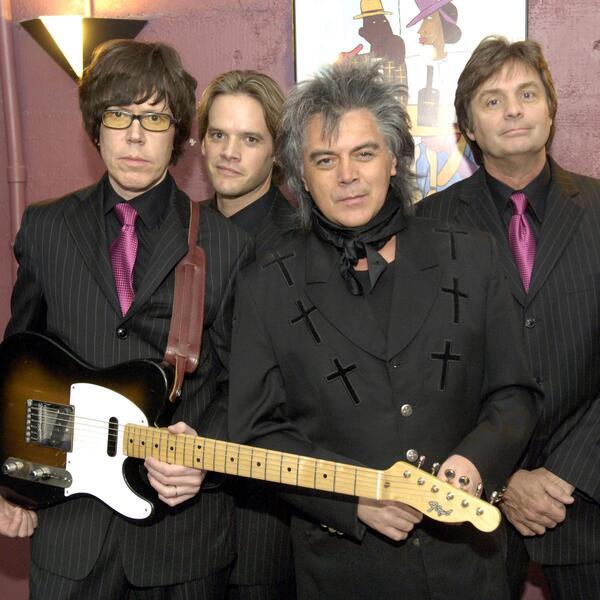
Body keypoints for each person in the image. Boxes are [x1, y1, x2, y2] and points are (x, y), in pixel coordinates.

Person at [227, 61, 540, 599]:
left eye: (364, 153)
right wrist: (351, 499)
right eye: (325, 160)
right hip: (343, 571)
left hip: (468, 566)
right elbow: (256, 433)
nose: (347, 175)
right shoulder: (264, 286)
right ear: (301, 175)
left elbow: (514, 394)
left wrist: (476, 461)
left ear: (393, 158)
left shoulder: (472, 255)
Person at [0, 40, 252, 599]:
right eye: (119, 114)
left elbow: (246, 387)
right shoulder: (45, 228)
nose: (135, 135)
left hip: (180, 541)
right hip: (70, 531)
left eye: (155, 117)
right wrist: (7, 478)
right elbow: (17, 367)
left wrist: (203, 452)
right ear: (97, 126)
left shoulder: (226, 245)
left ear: (178, 133)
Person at [417, 36, 600, 599]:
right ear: (467, 127)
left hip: (587, 495)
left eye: (527, 94)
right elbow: (417, 374)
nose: (513, 110)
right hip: (471, 505)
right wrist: (503, 471)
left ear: (551, 108)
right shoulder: (424, 228)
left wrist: (567, 471)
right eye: (492, 101)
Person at [197, 69, 295, 599]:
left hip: (260, 520)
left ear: (277, 151)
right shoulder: (176, 228)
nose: (229, 153)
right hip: (170, 514)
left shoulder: (304, 243)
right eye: (218, 134)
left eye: (250, 139)